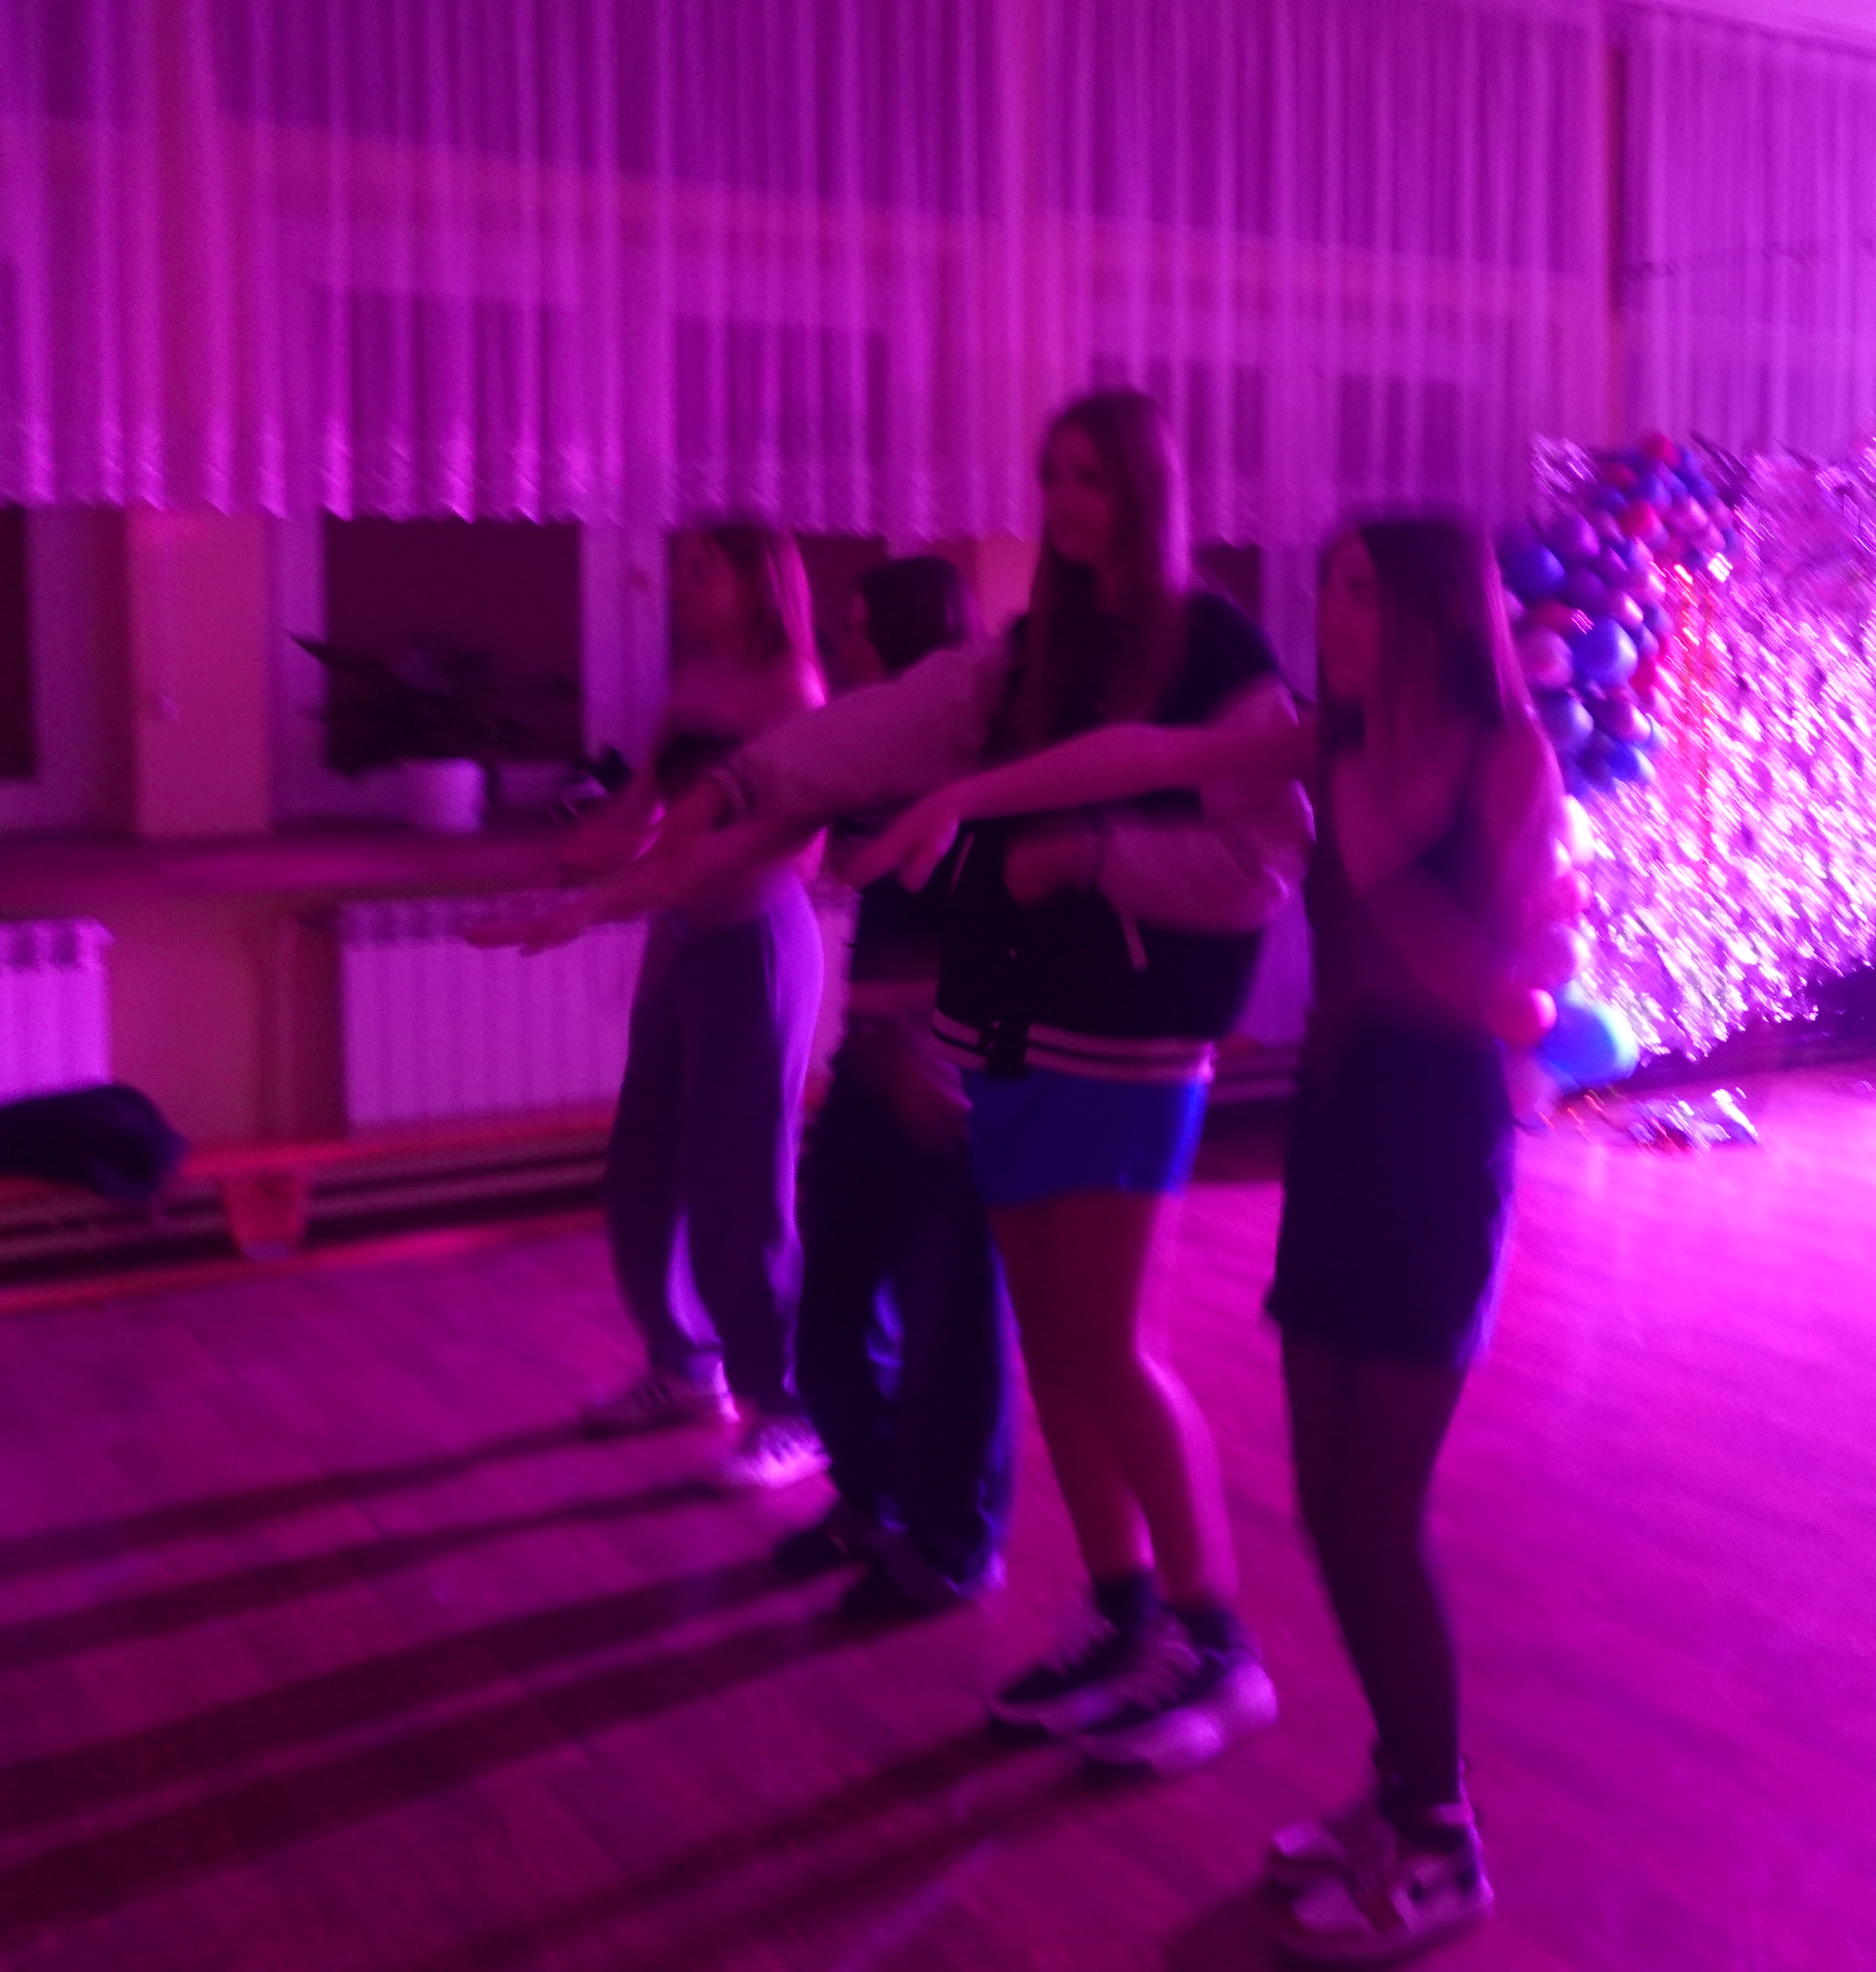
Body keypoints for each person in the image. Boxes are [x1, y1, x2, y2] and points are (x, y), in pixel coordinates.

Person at [520, 391, 1309, 1773]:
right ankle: (1122, 1609)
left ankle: (1215, 1646)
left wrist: (1094, 858)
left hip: (1133, 1050)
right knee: (1056, 1350)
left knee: (1113, 1347)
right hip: (1016, 1035)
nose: (1067, 504)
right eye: (1053, 476)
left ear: (1147, 490)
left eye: (1093, 479)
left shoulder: (1216, 652)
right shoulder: (1036, 655)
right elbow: (876, 730)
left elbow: (1261, 866)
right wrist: (729, 793)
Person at [857, 515, 1571, 1958]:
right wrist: (970, 798)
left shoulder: (1505, 759)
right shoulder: (1329, 741)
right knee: (1325, 1503)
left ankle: (1441, 1837)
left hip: (1442, 1149)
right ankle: (1397, 1792)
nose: (1330, 613)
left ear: (1432, 608)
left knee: (1380, 1514)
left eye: (1359, 589)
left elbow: (1497, 988)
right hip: (1338, 1131)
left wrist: (1374, 842)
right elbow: (1139, 760)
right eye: (1329, 587)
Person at [768, 554, 1018, 1619]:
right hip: (871, 1069)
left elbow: (993, 937)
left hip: (942, 1077)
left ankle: (951, 1545)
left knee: (949, 1322)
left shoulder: (974, 775)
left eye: (863, 631)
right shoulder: (877, 762)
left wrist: (917, 1038)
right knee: (829, 1308)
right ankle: (869, 1501)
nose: (846, 649)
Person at [553, 524, 828, 1491]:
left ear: (757, 582)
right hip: (681, 942)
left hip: (755, 948)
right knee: (643, 1170)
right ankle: (683, 1369)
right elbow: (641, 811)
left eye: (701, 570)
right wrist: (578, 860)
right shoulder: (693, 684)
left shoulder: (795, 692)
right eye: (680, 568)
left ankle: (791, 1409)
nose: (679, 585)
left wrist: (637, 884)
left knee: (740, 1186)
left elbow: (800, 853)